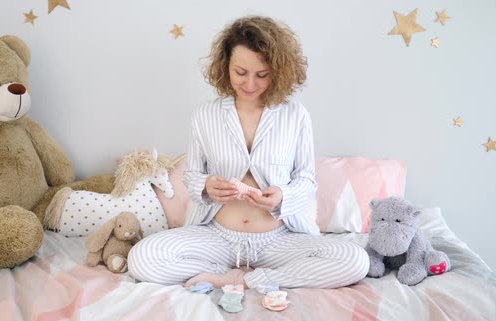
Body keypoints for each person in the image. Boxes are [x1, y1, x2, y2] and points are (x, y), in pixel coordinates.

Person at [128, 16, 369, 289]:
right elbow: (193, 174)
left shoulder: (295, 115)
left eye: (262, 75)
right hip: (217, 236)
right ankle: (220, 272)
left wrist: (282, 196)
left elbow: (306, 179)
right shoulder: (206, 115)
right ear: (225, 66)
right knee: (142, 258)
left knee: (356, 260)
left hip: (279, 239)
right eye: (240, 72)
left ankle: (251, 279)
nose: (250, 84)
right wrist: (207, 186)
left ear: (277, 72)